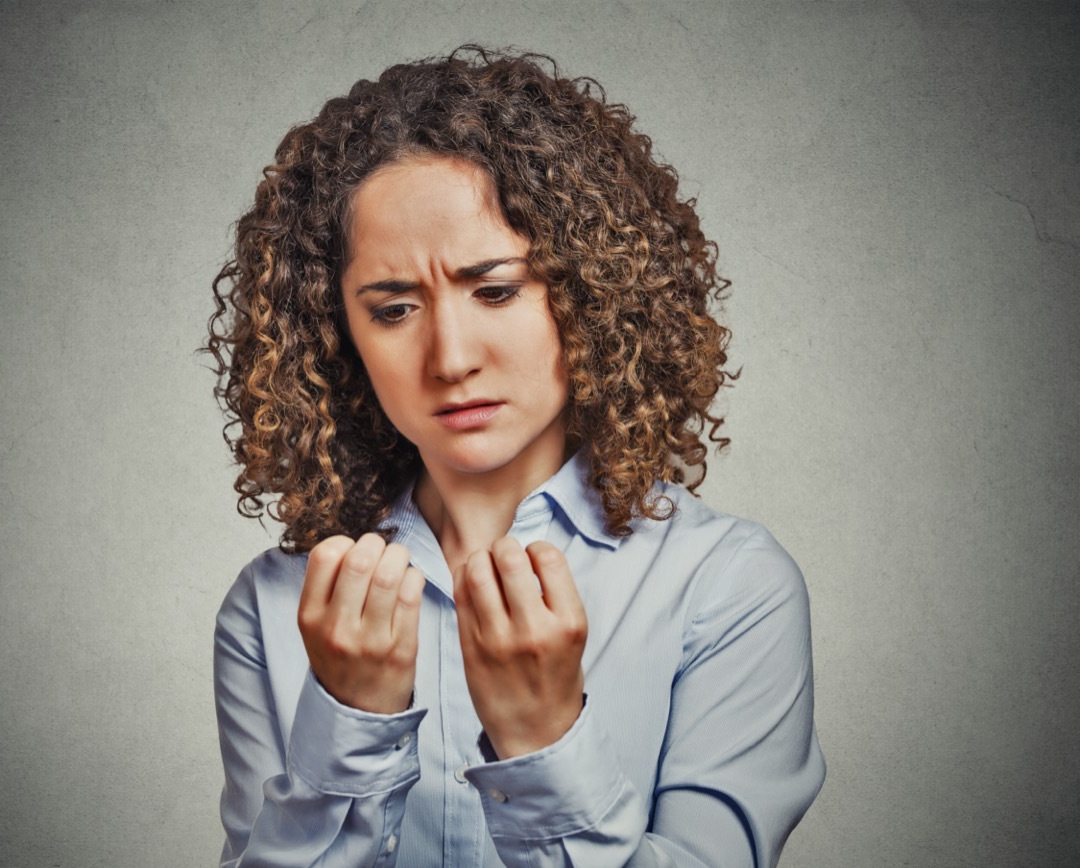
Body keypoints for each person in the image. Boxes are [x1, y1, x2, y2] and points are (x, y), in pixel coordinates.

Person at [205, 45, 825, 867]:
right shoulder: (274, 610)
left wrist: (544, 740)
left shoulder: (728, 588)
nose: (451, 357)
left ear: (590, 293)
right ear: (335, 336)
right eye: (393, 310)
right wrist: (346, 730)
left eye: (496, 290)